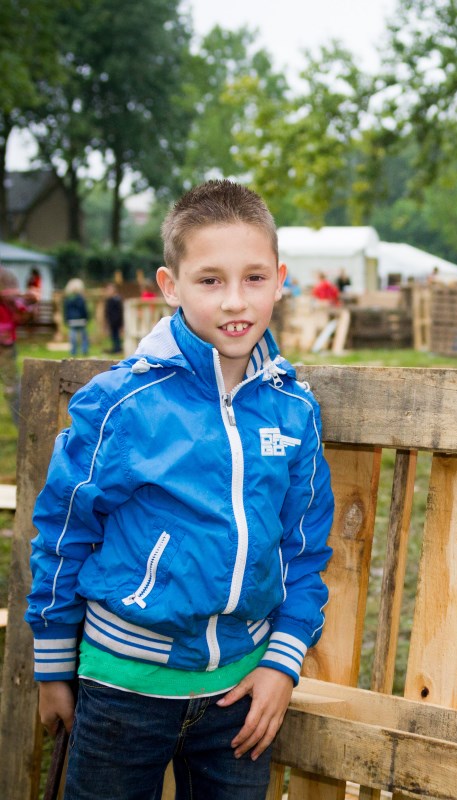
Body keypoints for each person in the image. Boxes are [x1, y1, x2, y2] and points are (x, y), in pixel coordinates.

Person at [26, 180, 335, 799]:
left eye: (253, 278)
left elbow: (304, 553)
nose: (234, 301)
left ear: (280, 280)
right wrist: (55, 666)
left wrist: (282, 663)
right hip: (123, 689)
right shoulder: (122, 404)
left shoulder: (293, 411)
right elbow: (63, 533)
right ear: (170, 286)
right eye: (210, 280)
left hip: (240, 695)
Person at [0, 262, 23, 427]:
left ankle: (18, 421)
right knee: (11, 384)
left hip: (6, 343)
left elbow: (16, 304)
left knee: (12, 384)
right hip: (5, 341)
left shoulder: (6, 274)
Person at [63, 277, 90, 356]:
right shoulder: (75, 299)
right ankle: (75, 351)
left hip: (78, 320)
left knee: (81, 337)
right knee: (74, 338)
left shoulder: (73, 299)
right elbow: (67, 310)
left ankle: (83, 350)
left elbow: (83, 309)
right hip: (74, 320)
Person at [103, 282, 124, 354]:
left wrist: (121, 322)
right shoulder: (109, 300)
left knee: (117, 336)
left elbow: (120, 311)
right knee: (113, 335)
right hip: (111, 321)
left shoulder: (116, 300)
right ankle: (115, 348)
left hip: (117, 321)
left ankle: (118, 348)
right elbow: (107, 312)